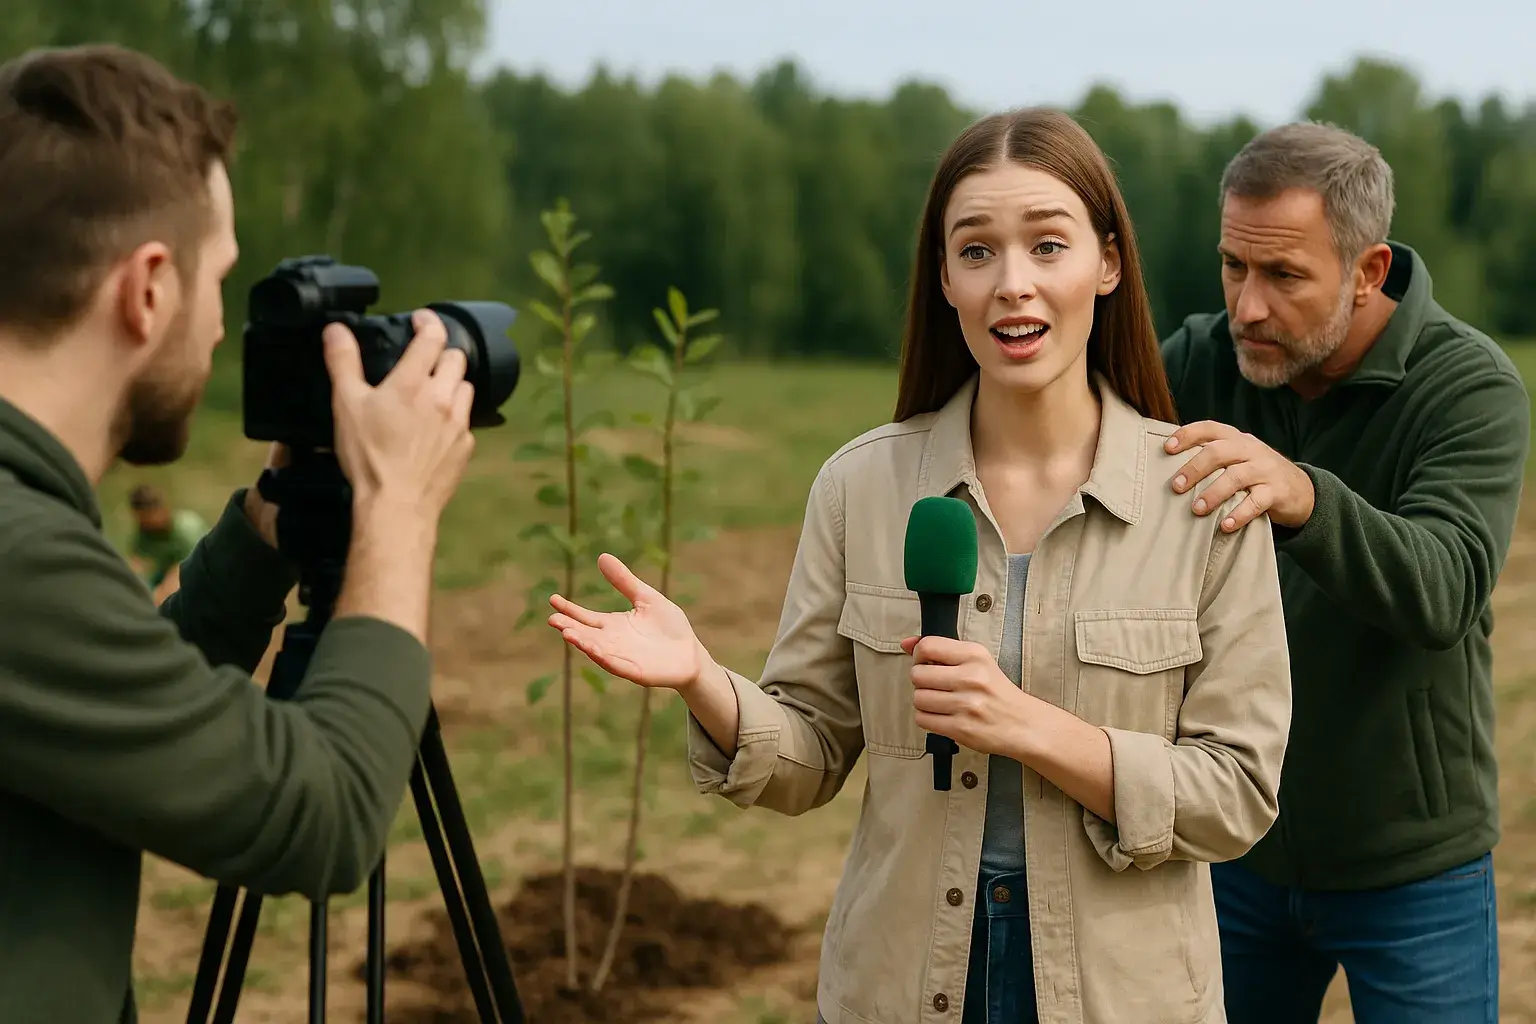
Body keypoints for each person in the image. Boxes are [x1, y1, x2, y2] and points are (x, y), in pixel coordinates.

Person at [548, 107, 1293, 1024]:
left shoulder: (1204, 500)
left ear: (1107, 264)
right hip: (899, 984)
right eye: (976, 251)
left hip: (1124, 995)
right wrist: (703, 679)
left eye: (1047, 246)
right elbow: (810, 756)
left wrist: (1029, 727)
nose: (1012, 284)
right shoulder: (862, 486)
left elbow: (1238, 796)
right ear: (944, 277)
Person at [0, 44, 478, 1023]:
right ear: (148, 288)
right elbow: (326, 812)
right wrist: (395, 509)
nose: (221, 331)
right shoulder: (20, 553)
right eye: (218, 282)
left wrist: (267, 528)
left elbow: (108, 701)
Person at [1160, 121, 1528, 1023]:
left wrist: (1305, 498)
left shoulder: (1469, 386)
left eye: (1284, 276)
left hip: (1411, 867)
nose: (1248, 306)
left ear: (1368, 271)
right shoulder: (1197, 363)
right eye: (1233, 267)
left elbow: (1446, 586)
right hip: (1229, 845)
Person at [126, 482, 209, 600]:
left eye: (147, 519)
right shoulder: (145, 532)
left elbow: (190, 567)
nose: (144, 524)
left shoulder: (187, 528)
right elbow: (137, 563)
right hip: (165, 578)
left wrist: (161, 593)